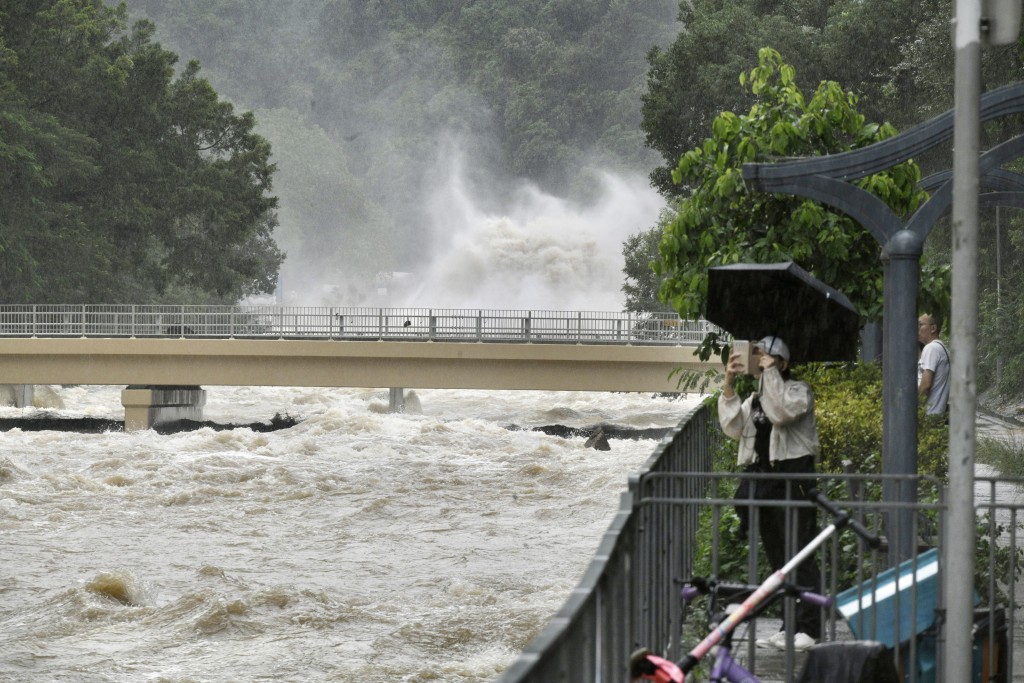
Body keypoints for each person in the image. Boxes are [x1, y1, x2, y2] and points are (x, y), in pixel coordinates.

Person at [718, 335, 821, 651]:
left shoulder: (798, 392)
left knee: (800, 554)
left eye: (767, 356)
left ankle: (810, 627)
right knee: (779, 558)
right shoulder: (755, 398)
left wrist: (771, 374)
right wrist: (729, 383)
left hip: (794, 482)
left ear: (784, 364)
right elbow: (733, 428)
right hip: (764, 483)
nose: (760, 361)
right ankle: (789, 625)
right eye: (758, 355)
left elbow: (781, 413)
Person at [918, 313, 950, 416]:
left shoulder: (931, 348)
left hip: (927, 415)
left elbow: (926, 384)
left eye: (920, 325)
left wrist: (912, 407)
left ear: (933, 328)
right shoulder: (942, 349)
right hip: (936, 415)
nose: (917, 329)